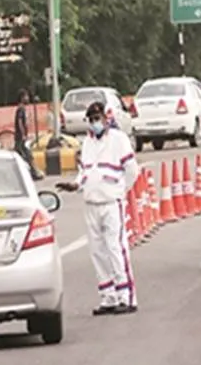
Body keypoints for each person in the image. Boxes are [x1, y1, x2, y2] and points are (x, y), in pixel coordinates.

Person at [56, 101, 140, 315]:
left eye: (98, 119)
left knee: (116, 248)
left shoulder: (118, 140)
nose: (95, 123)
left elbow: (132, 171)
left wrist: (120, 190)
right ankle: (108, 296)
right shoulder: (87, 144)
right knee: (97, 251)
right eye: (92, 119)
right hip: (91, 202)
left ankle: (126, 296)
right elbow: (85, 171)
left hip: (112, 202)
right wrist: (75, 184)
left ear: (106, 118)